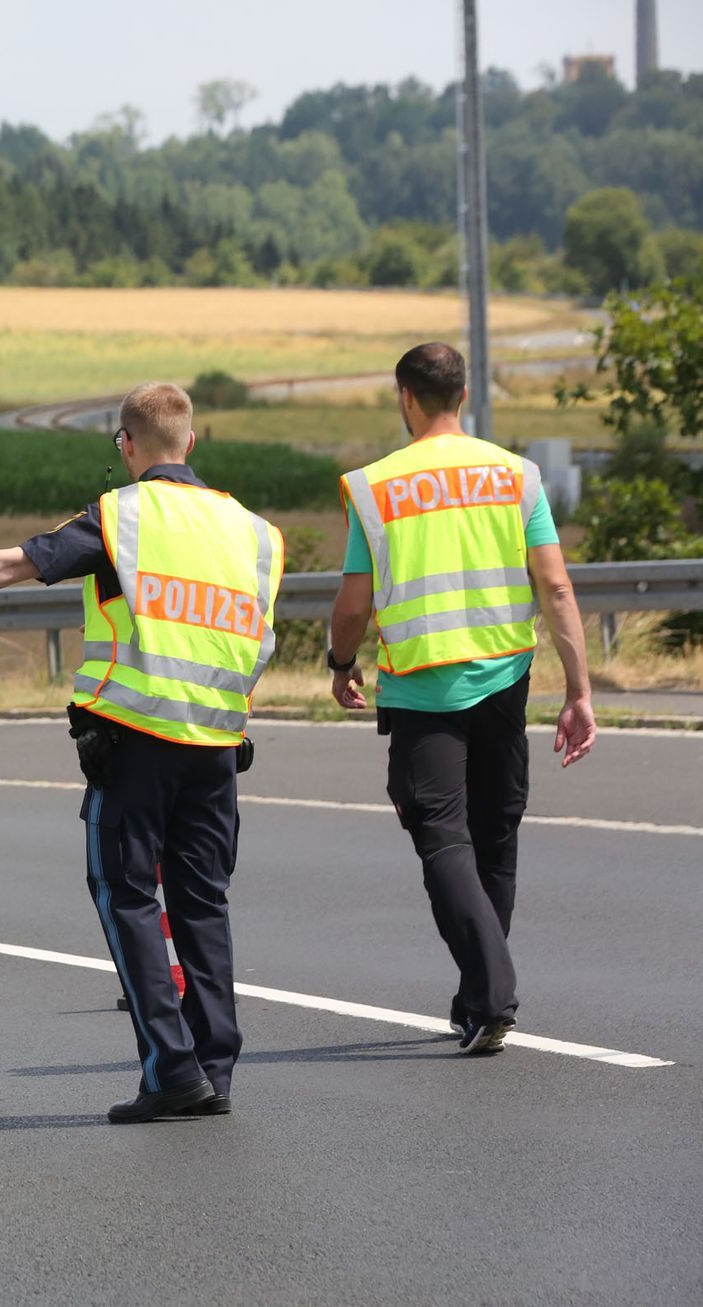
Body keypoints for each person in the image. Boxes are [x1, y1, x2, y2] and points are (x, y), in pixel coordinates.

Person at [0, 381, 284, 1123]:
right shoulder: (255, 533)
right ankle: (214, 1065)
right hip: (217, 745)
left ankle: (172, 1072)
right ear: (192, 442)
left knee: (127, 897)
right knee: (202, 905)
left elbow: (15, 563)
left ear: (125, 445)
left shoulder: (122, 516)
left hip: (138, 738)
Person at [329, 343, 595, 1056]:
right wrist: (578, 689)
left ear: (405, 398)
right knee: (495, 835)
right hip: (505, 681)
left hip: (421, 686)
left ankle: (491, 989)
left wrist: (339, 661)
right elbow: (556, 586)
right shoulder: (516, 474)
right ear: (463, 394)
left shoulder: (377, 484)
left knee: (442, 836)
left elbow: (352, 601)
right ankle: (480, 994)